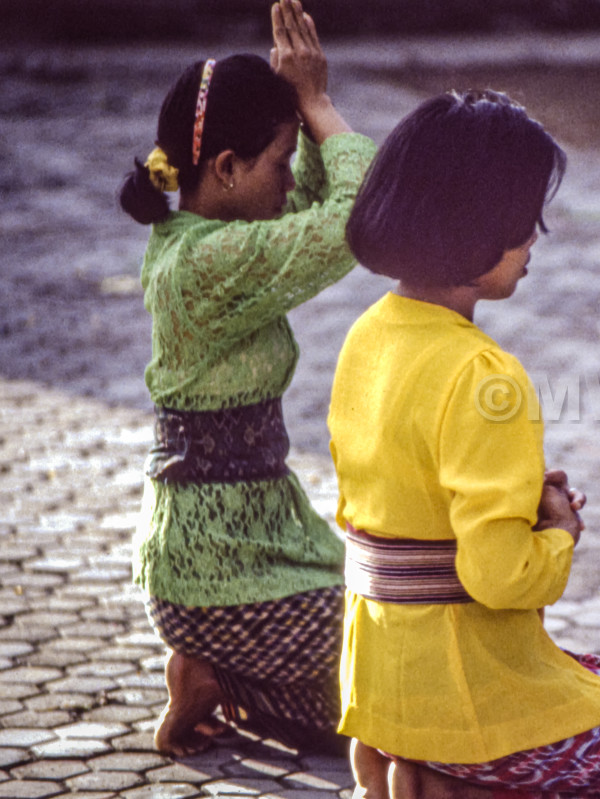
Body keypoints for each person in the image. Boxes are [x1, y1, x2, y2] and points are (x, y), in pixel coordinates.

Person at [329, 90, 600, 799]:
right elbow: (501, 577)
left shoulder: (367, 336)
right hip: (469, 700)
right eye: (523, 224)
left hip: (385, 687)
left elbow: (406, 501)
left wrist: (520, 497)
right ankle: (471, 786)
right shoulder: (485, 374)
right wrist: (558, 533)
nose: (533, 240)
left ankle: (422, 770)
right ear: (473, 233)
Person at [119, 0, 377, 757]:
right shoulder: (203, 265)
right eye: (279, 162)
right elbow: (355, 218)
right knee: (392, 668)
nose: (288, 179)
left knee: (358, 694)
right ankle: (212, 660)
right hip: (219, 574)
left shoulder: (215, 232)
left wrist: (300, 110)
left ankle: (211, 678)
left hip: (255, 554)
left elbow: (324, 203)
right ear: (226, 169)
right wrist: (318, 103)